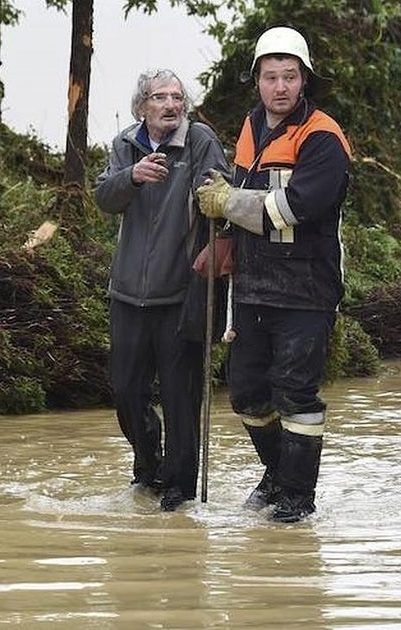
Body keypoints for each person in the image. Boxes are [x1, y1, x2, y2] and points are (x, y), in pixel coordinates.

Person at [196, 26, 352, 523]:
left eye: (289, 76)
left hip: (307, 291)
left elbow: (293, 207)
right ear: (256, 82)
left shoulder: (324, 137)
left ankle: (296, 504)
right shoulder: (250, 128)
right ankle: (279, 477)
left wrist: (229, 202)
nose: (280, 87)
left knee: (296, 394)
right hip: (252, 289)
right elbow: (244, 202)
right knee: (245, 392)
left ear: (304, 80)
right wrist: (221, 223)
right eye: (270, 77)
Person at [93, 69, 230, 512]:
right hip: (128, 292)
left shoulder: (199, 141)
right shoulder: (124, 145)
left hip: (181, 291)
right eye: (159, 98)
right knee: (126, 391)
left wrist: (210, 194)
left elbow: (219, 196)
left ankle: (179, 486)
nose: (170, 105)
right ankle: (148, 464)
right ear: (141, 108)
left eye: (176, 97)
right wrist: (132, 176)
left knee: (180, 395)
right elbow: (104, 198)